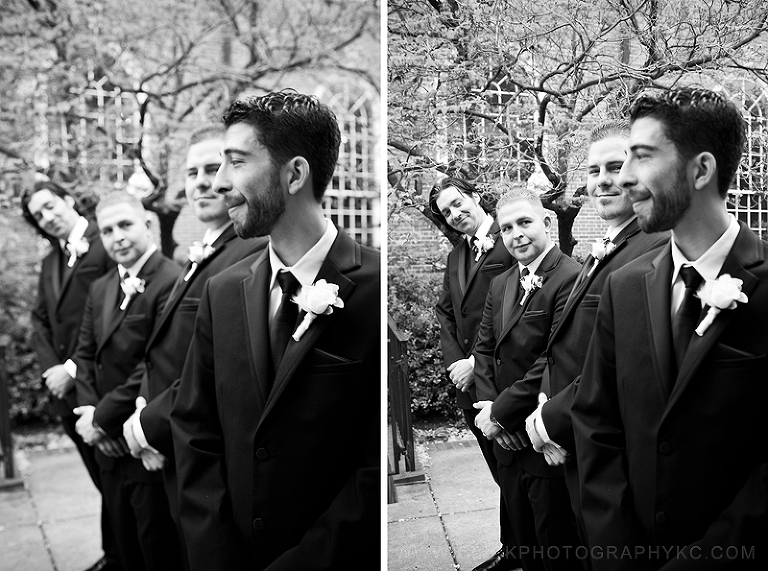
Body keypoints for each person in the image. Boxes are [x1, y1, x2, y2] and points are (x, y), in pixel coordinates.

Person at [170, 91, 380, 570]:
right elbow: (194, 430)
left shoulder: (372, 287)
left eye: (236, 162)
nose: (219, 183)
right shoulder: (222, 291)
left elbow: (371, 464)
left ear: (295, 174)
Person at [572, 86, 768, 569]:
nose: (625, 178)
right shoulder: (624, 286)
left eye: (641, 157)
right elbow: (596, 422)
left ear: (701, 170)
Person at [497, 123, 666, 547]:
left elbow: (626, 365)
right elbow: (564, 348)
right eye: (593, 170)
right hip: (577, 444)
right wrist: (545, 408)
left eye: (615, 166)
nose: (602, 180)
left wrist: (549, 421)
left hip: (615, 456)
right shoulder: (604, 249)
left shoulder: (655, 250)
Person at [120, 125, 267, 564]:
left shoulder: (252, 253)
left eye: (213, 168)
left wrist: (146, 424)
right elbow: (164, 348)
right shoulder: (200, 253)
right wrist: (143, 402)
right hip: (171, 440)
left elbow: (221, 364)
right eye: (192, 172)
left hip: (204, 447)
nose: (203, 182)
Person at [73, 191, 183, 571]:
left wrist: (104, 419)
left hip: (142, 440)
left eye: (125, 225)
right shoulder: (101, 286)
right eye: (107, 230)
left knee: (156, 550)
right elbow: (85, 354)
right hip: (106, 446)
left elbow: (155, 363)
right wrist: (91, 414)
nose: (116, 237)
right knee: (122, 546)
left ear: (147, 224)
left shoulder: (172, 280)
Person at [473, 187, 581, 571]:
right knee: (523, 545)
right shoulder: (501, 283)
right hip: (506, 440)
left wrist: (502, 414)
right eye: (506, 228)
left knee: (555, 546)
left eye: (524, 222)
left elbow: (553, 359)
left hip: (540, 436)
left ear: (546, 222)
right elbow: (484, 350)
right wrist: (492, 412)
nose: (515, 234)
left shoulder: (572, 277)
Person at [22, 180, 120, 571]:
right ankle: (115, 554)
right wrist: (52, 368)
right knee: (102, 480)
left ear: (67, 199)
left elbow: (114, 316)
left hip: (99, 385)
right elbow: (39, 318)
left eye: (50, 206)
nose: (47, 217)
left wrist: (72, 369)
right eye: (38, 215)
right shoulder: (51, 260)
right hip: (65, 395)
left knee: (117, 479)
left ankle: (121, 556)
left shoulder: (106, 241)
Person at [431, 177, 519, 571]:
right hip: (467, 385)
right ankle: (520, 545)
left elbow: (520, 310)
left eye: (457, 203)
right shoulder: (456, 256)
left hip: (501, 379)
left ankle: (517, 549)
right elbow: (445, 311)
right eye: (446, 212)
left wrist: (475, 362)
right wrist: (457, 363)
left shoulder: (510, 241)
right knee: (500, 470)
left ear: (476, 196)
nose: (454, 214)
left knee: (516, 468)